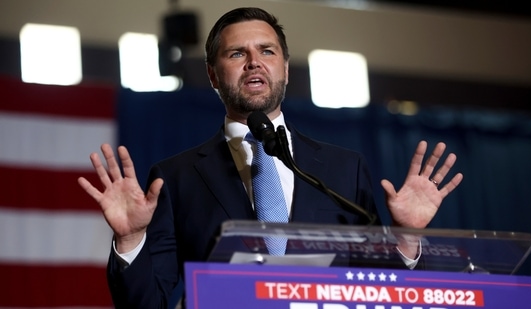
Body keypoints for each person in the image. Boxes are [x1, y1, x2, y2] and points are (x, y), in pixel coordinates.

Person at [78, 7, 463, 308]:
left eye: (267, 51)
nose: (254, 62)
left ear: (285, 69)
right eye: (236, 53)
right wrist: (130, 240)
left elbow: (381, 291)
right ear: (213, 75)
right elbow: (147, 304)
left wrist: (407, 238)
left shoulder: (345, 169)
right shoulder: (177, 178)